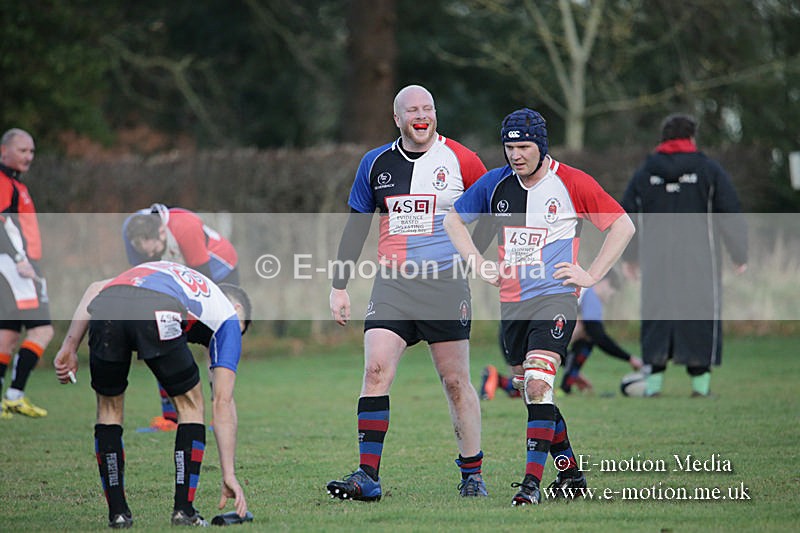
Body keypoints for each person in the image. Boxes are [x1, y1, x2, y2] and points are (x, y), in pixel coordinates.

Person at [444, 108, 635, 506]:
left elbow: (622, 225)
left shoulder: (572, 182)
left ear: (541, 146)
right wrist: (478, 263)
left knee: (538, 382)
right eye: (509, 146)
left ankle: (530, 486)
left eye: (524, 147)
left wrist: (592, 274)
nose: (515, 155)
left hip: (556, 297)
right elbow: (453, 222)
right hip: (512, 305)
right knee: (536, 396)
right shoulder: (495, 184)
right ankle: (572, 476)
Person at [326, 85, 489, 500]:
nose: (422, 115)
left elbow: (493, 207)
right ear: (397, 119)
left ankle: (472, 475)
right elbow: (357, 225)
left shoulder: (462, 159)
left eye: (428, 108)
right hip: (393, 284)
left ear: (436, 114)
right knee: (375, 371)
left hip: (446, 284)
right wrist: (339, 286)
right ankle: (367, 476)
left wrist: (477, 256)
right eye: (412, 110)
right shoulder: (375, 162)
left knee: (455, 381)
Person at [53, 261, 251, 528]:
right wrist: (229, 473)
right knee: (192, 405)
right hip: (158, 309)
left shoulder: (180, 278)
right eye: (241, 331)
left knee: (108, 410)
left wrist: (70, 345)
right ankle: (184, 511)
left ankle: (118, 514)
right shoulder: (228, 315)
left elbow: (96, 288)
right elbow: (223, 402)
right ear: (237, 309)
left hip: (107, 307)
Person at [620, 113, 747, 398]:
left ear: (663, 139)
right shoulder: (708, 170)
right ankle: (700, 389)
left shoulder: (644, 172)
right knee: (700, 316)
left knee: (656, 316)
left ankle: (653, 387)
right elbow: (730, 211)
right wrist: (739, 253)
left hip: (656, 261)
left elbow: (625, 215)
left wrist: (630, 257)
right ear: (691, 138)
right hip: (700, 260)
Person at [123, 204, 239, 430]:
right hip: (179, 274)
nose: (150, 255)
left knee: (215, 341)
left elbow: (204, 286)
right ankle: (170, 418)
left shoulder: (185, 228)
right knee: (162, 335)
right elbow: (142, 276)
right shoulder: (131, 232)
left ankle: (220, 413)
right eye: (144, 252)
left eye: (154, 249)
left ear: (162, 233)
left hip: (218, 272)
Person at [480, 269, 643, 399]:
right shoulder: (590, 294)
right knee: (587, 335)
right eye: (612, 291)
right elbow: (598, 335)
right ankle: (565, 387)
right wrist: (629, 358)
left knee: (523, 388)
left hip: (511, 328)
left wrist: (574, 373)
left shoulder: (576, 290)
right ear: (604, 282)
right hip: (527, 334)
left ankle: (495, 378)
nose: (610, 297)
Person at [0, 128, 53, 419]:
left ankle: (8, 399)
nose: (28, 156)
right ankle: (14, 395)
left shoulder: (14, 183)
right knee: (43, 329)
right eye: (22, 150)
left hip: (16, 264)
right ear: (4, 150)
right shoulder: (3, 181)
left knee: (7, 334)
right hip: (17, 266)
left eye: (31, 151)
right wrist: (20, 258)